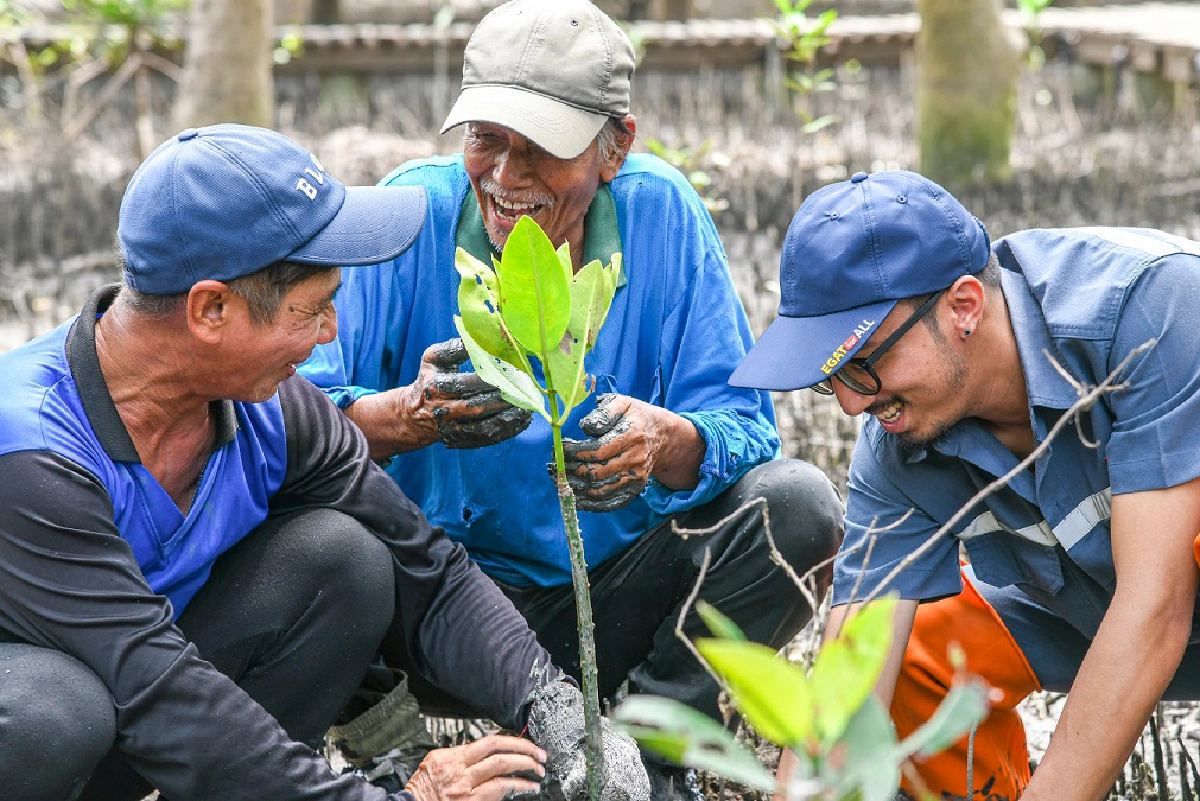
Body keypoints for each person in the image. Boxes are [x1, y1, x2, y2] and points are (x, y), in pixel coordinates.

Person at [0, 123, 649, 801]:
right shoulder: (31, 450)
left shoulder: (272, 408)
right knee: (55, 712)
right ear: (211, 309)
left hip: (138, 702)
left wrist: (557, 709)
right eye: (313, 309)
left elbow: (426, 567)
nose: (330, 334)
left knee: (343, 559)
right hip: (57, 719)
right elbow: (163, 692)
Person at [299, 0, 844, 793]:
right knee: (308, 527)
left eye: (543, 150)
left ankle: (641, 760)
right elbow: (287, 419)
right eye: (486, 140)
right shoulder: (409, 215)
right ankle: (400, 758)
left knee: (795, 504)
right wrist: (405, 416)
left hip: (605, 596)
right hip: (436, 607)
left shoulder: (663, 213)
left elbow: (744, 427)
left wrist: (667, 443)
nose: (507, 177)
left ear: (615, 147)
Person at [731, 169, 1200, 800]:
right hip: (1097, 606)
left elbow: (1156, 605)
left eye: (863, 362)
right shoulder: (896, 443)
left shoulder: (1155, 308)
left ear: (963, 306)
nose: (848, 405)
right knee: (907, 661)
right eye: (830, 376)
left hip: (1164, 596)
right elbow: (845, 690)